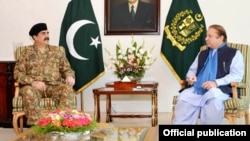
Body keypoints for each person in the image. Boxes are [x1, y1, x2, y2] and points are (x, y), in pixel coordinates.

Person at [173, 24, 244, 124]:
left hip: (220, 90)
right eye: (206, 36)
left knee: (212, 97)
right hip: (198, 88)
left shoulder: (234, 53)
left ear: (221, 38)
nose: (206, 39)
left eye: (210, 36)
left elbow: (236, 76)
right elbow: (192, 70)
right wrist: (191, 77)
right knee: (184, 97)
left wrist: (216, 82)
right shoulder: (202, 53)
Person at [13, 23, 76, 125]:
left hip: (53, 86)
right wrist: (33, 82)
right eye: (43, 33)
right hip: (33, 87)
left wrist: (69, 76)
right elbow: (17, 73)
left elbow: (66, 68)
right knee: (29, 91)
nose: (47, 36)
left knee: (66, 89)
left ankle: (62, 124)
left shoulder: (57, 51)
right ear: (35, 37)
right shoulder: (26, 53)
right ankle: (36, 127)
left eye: (47, 33)